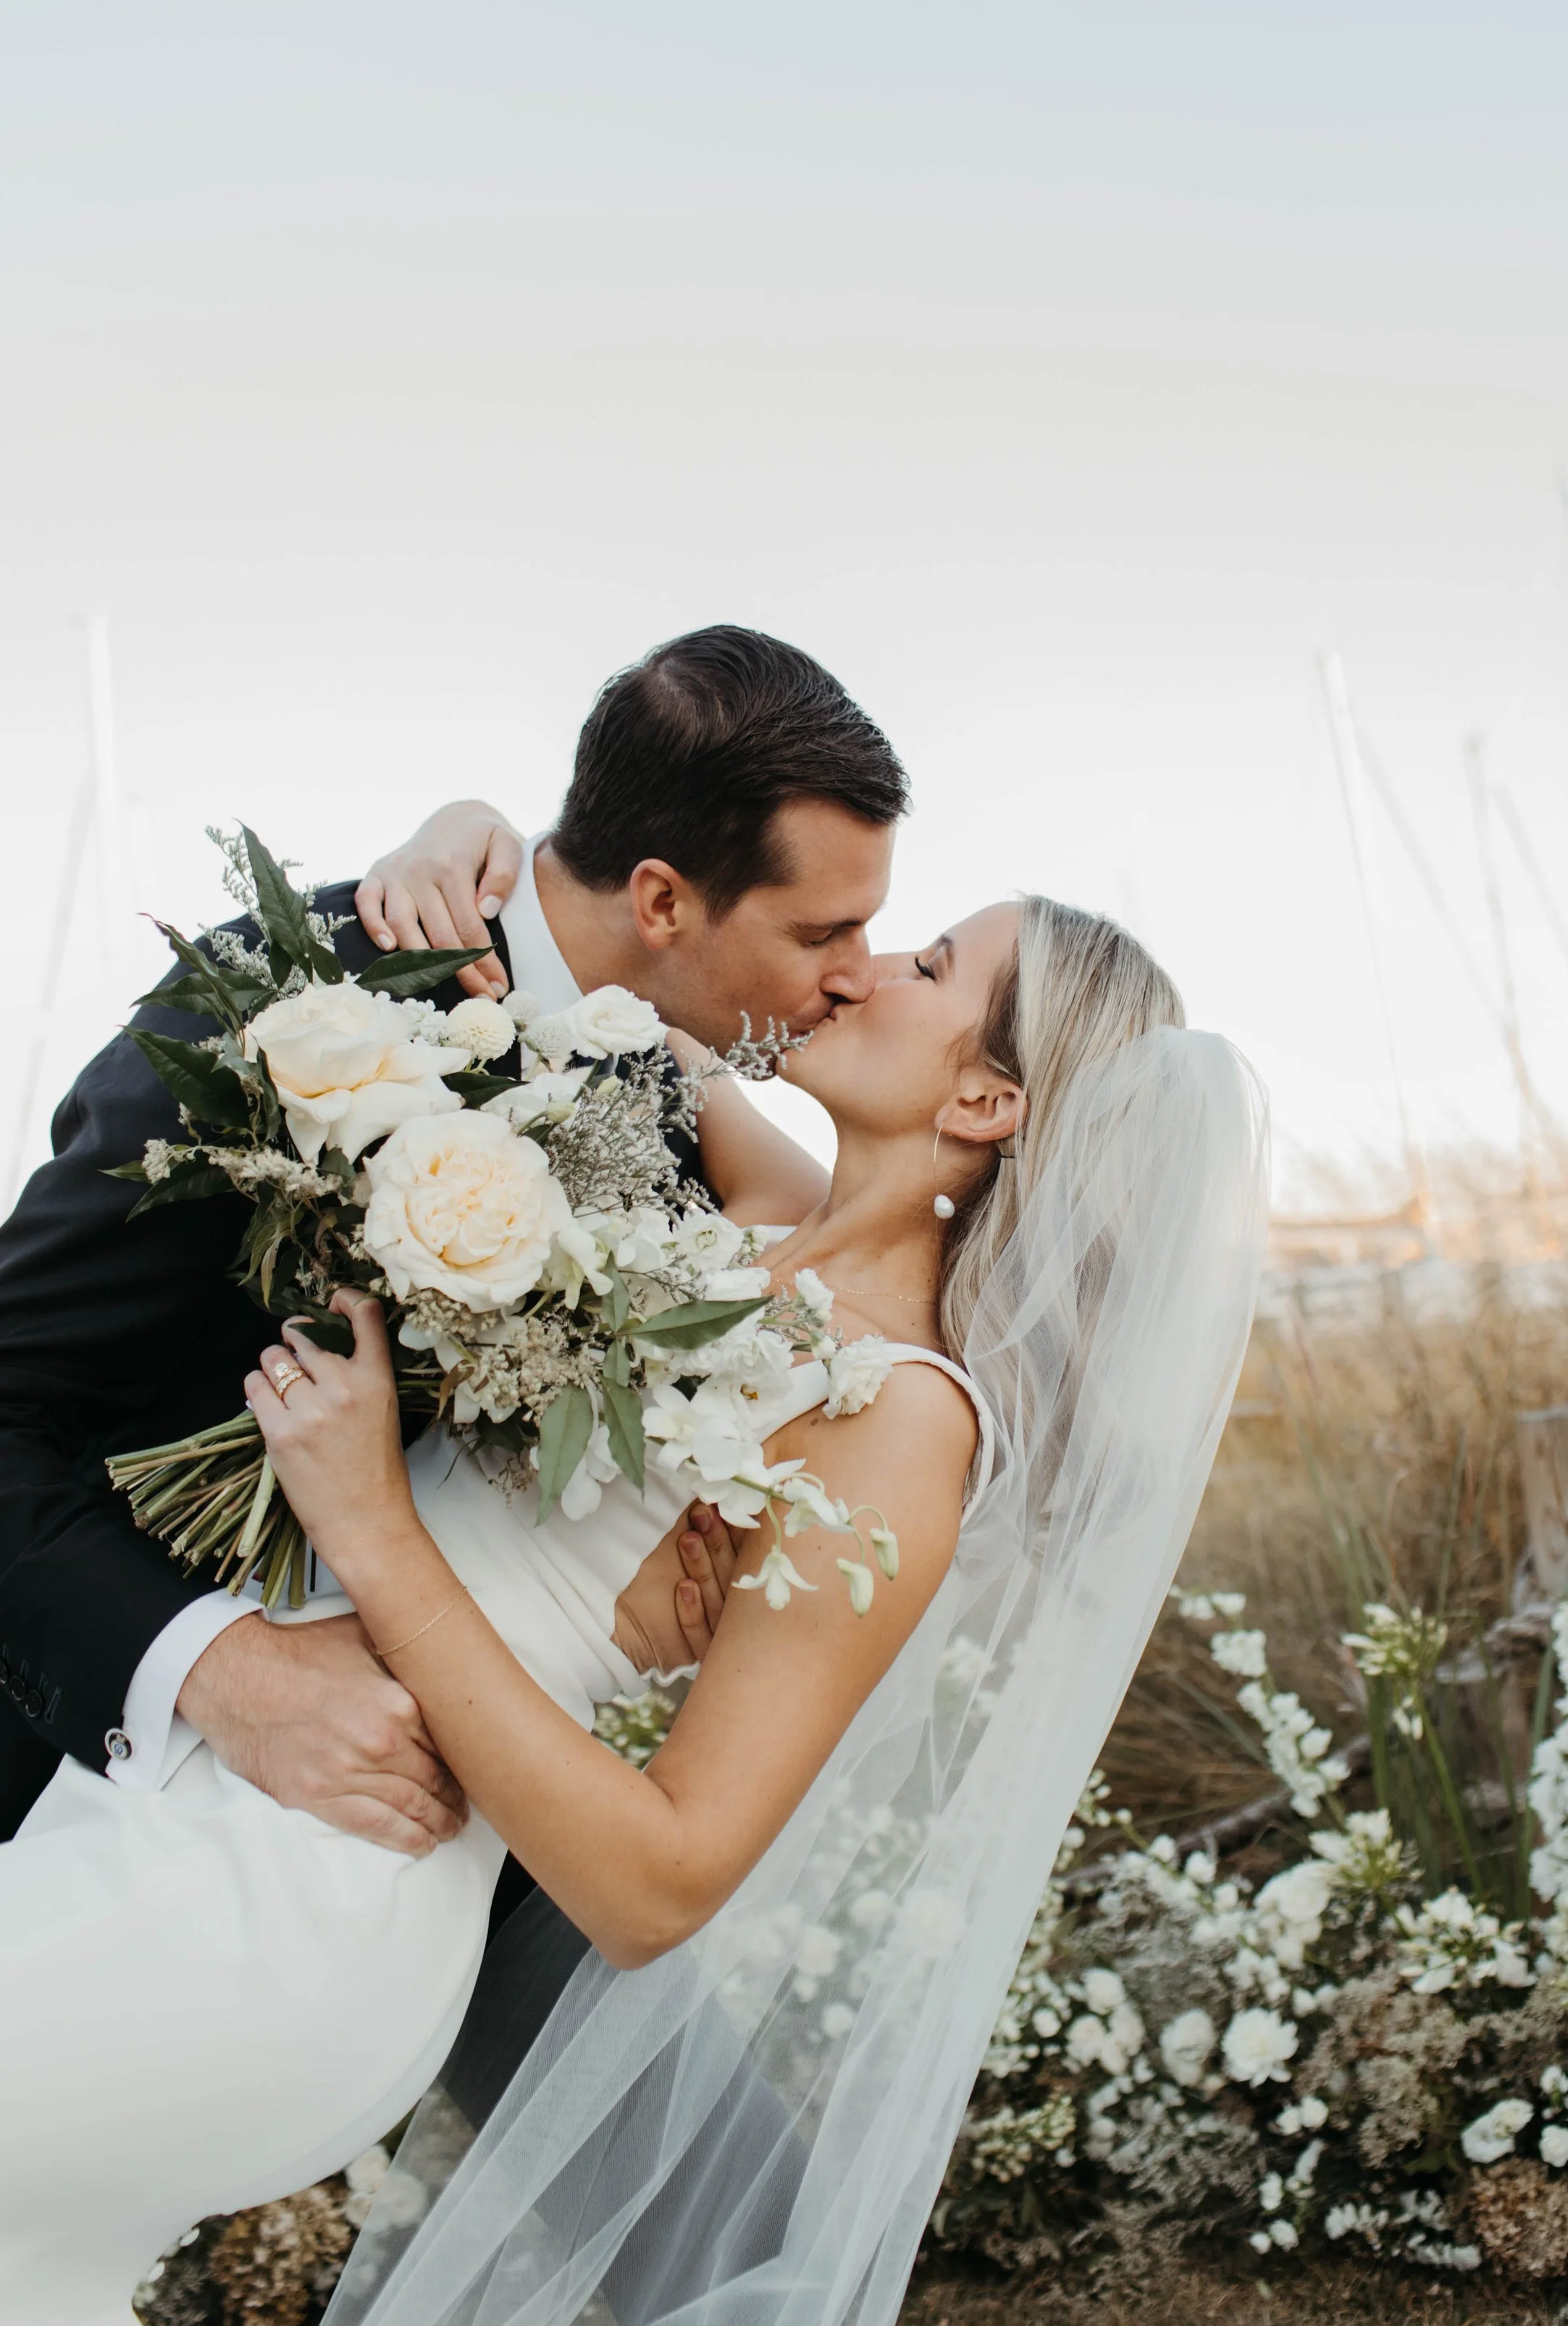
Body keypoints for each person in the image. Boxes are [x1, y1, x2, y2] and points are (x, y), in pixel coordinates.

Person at [0, 883, 1267, 2326]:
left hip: (328, 1879)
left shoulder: (898, 1420)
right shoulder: (757, 1212)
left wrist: (377, 1528)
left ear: (986, 1101)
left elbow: (661, 1881)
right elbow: (610, 971)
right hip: (193, 1791)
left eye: (930, 964)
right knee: (28, 2307)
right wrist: (465, 841)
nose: (864, 967)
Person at [0, 625, 907, 1849]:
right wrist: (219, 1670)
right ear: (660, 899)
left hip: (421, 1822)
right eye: (821, 933)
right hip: (76, 1802)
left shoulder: (668, 1106)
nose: (859, 975)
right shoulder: (303, 999)